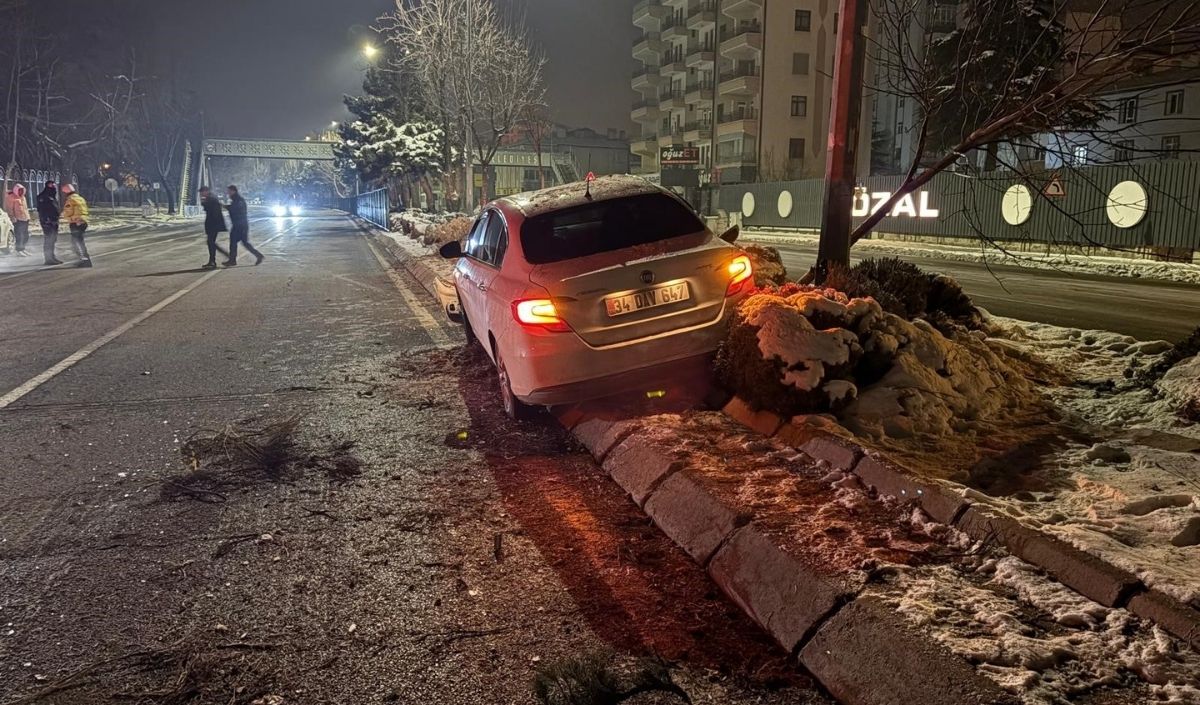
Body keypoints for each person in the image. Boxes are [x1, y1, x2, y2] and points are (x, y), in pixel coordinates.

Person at [224, 185, 263, 266]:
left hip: (240, 225)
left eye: (229, 191)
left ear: (233, 191)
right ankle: (258, 255)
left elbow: (235, 209)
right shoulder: (236, 199)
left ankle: (232, 260)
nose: (228, 193)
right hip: (240, 224)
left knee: (235, 242)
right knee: (243, 243)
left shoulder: (238, 200)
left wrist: (226, 207)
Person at [59, 183, 91, 268]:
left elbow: (68, 212)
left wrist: (66, 217)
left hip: (76, 222)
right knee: (79, 241)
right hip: (83, 221)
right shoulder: (80, 198)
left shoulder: (70, 200)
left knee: (77, 242)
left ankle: (84, 260)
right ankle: (85, 259)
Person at [198, 186, 229, 269]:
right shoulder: (210, 198)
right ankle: (212, 261)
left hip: (213, 225)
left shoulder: (211, 199)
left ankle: (215, 260)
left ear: (206, 191)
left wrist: (203, 202)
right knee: (210, 242)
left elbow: (213, 212)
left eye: (202, 192)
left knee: (210, 242)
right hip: (212, 224)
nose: (201, 194)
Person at [36, 181, 63, 265]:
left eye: (54, 185)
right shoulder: (43, 197)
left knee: (53, 239)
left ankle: (52, 256)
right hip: (47, 222)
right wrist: (46, 220)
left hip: (54, 221)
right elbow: (42, 210)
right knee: (49, 239)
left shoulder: (52, 197)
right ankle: (48, 258)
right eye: (51, 186)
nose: (53, 187)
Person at [4, 184, 31, 256]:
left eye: (22, 190)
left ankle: (23, 248)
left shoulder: (23, 198)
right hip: (18, 220)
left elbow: (25, 208)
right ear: (16, 190)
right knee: (19, 235)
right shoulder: (11, 198)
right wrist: (13, 218)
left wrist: (28, 217)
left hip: (25, 219)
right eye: (19, 190)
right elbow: (9, 209)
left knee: (26, 235)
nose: (21, 192)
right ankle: (19, 250)